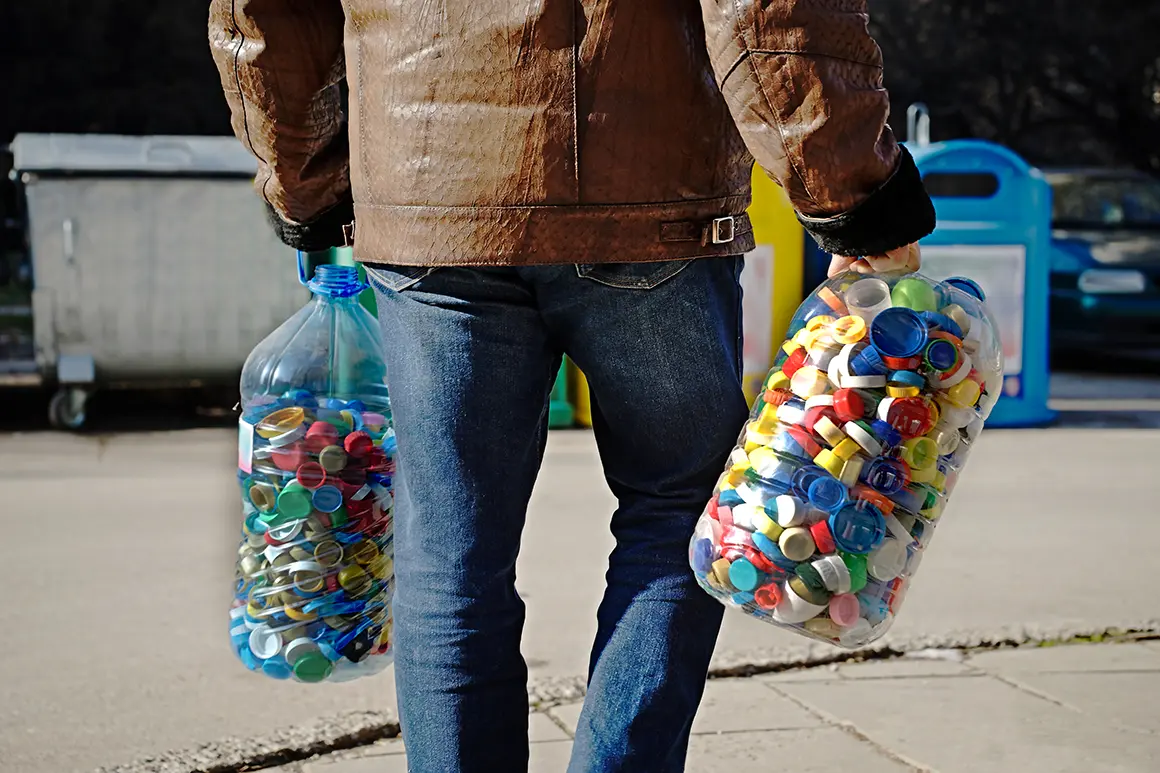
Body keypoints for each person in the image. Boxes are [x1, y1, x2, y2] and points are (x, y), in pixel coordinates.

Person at [209, 1, 934, 770]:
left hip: (430, 202)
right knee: (678, 512)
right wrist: (852, 192)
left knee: (452, 548)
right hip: (653, 200)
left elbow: (264, 16)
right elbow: (769, 11)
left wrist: (307, 183)